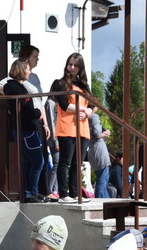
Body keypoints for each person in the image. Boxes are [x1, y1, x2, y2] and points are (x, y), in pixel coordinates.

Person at [4, 59, 50, 204]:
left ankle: (30, 193)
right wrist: (37, 113)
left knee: (30, 163)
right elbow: (26, 110)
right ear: (21, 70)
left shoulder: (17, 86)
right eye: (28, 69)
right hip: (26, 130)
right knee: (37, 162)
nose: (30, 72)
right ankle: (32, 193)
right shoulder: (14, 87)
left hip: (25, 130)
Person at [50, 53, 92, 203]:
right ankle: (63, 194)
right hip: (67, 128)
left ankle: (76, 194)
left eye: (75, 65)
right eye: (70, 64)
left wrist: (88, 111)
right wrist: (82, 109)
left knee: (77, 163)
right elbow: (63, 105)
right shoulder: (60, 83)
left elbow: (92, 105)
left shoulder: (84, 86)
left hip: (83, 129)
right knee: (65, 162)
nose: (72, 67)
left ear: (80, 67)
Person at [88, 110, 112, 199]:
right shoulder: (94, 116)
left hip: (92, 148)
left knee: (100, 178)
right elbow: (97, 134)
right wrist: (106, 133)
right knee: (102, 178)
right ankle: (102, 200)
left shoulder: (85, 118)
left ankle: (103, 199)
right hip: (99, 148)